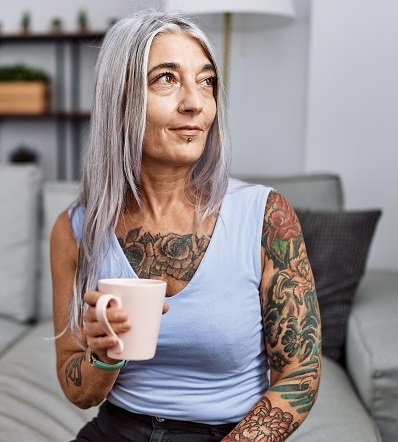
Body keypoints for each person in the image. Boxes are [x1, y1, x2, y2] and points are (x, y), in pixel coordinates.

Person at [51, 10, 322, 442]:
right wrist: (104, 356)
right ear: (119, 100)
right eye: (166, 78)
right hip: (116, 430)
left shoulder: (266, 215)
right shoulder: (75, 228)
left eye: (206, 81)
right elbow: (76, 390)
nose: (195, 102)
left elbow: (300, 372)